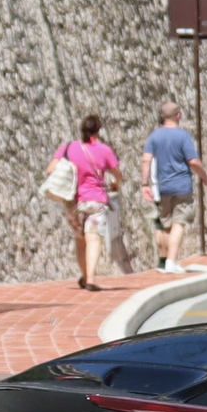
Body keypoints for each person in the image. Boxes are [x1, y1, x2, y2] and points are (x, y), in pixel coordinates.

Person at [55, 114, 121, 290]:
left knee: (80, 241)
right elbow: (117, 174)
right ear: (97, 132)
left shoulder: (68, 148)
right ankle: (91, 280)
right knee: (94, 239)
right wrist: (116, 184)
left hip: (75, 202)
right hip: (96, 200)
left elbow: (51, 168)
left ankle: (84, 276)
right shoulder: (104, 150)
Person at [142, 100, 206, 272]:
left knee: (165, 224)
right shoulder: (183, 136)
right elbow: (193, 162)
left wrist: (144, 183)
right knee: (180, 222)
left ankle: (164, 261)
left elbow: (146, 160)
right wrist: (205, 178)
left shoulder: (154, 136)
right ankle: (171, 261)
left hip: (162, 188)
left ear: (162, 117)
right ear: (179, 115)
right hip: (181, 187)